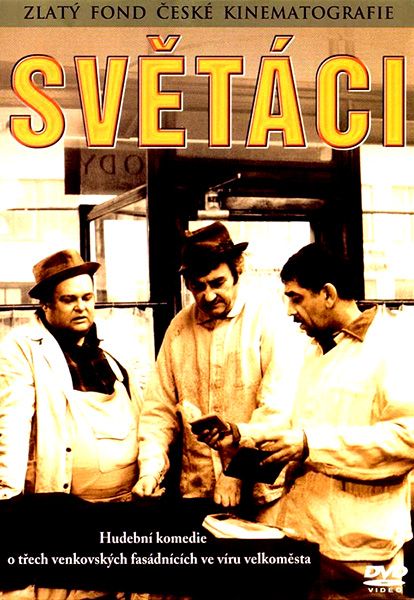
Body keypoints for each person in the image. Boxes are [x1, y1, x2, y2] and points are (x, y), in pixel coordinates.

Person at [256, 243, 414, 598]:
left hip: (369, 553)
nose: (289, 311)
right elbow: (303, 433)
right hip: (310, 539)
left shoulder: (393, 347)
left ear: (328, 294)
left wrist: (310, 444)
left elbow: (408, 439)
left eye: (296, 298)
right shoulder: (314, 350)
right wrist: (241, 439)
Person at [0, 249, 143, 599]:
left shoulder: (111, 349)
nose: (81, 307)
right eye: (69, 300)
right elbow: (11, 426)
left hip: (124, 512)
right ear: (46, 305)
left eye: (87, 298)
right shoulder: (21, 349)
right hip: (66, 517)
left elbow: (144, 414)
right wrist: (6, 503)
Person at [134, 221, 296, 509]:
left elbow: (276, 412)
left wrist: (235, 472)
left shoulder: (268, 320)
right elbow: (158, 411)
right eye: (198, 287)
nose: (208, 296)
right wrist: (150, 471)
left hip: (262, 494)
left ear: (238, 269)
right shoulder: (179, 328)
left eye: (217, 283)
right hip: (197, 491)